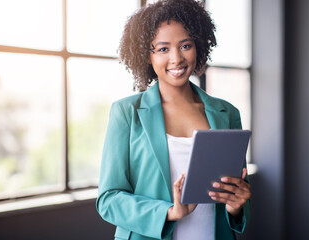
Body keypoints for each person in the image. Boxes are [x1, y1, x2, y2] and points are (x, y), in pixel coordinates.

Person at [96, 0, 251, 239]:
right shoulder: (126, 112)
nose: (177, 58)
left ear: (198, 46)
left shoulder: (227, 113)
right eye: (163, 49)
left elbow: (237, 191)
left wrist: (236, 205)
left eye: (185, 45)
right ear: (147, 55)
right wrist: (168, 212)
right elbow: (108, 199)